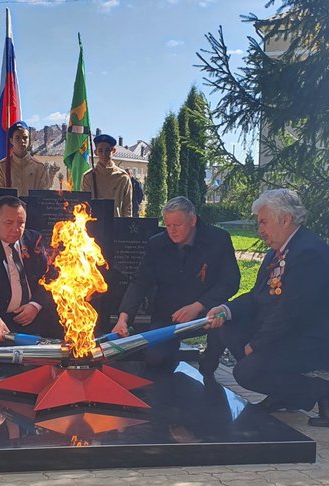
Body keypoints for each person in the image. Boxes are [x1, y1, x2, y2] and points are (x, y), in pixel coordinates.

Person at [205, 189, 329, 426]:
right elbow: (256, 297)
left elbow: (291, 310)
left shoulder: (309, 253)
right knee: (229, 328)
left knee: (246, 373)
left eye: (263, 222)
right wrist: (225, 309)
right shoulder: (277, 252)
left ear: (285, 219)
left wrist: (257, 344)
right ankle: (284, 393)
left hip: (310, 339)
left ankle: (321, 391)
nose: (259, 230)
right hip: (287, 332)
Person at [112, 197, 239, 369]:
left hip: (207, 312)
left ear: (192, 220)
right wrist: (123, 318)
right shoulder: (157, 243)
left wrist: (198, 306)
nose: (172, 231)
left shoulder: (218, 240)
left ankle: (211, 361)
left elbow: (230, 281)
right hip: (168, 315)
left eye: (177, 225)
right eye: (168, 225)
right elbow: (141, 282)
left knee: (223, 328)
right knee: (156, 360)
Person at [0, 196, 63, 347]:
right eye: (9, 223)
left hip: (33, 318)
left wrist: (36, 304)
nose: (16, 229)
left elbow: (49, 275)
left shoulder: (33, 239)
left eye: (21, 223)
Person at [0, 121, 53, 196]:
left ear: (29, 140)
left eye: (25, 137)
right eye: (17, 138)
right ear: (11, 140)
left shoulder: (39, 168)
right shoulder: (1, 167)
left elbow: (42, 197)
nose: (22, 141)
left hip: (32, 207)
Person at [81, 134, 133, 217]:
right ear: (95, 152)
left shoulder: (123, 177)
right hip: (94, 225)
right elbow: (84, 206)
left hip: (116, 226)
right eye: (100, 151)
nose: (104, 154)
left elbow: (127, 208)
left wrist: (125, 228)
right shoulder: (88, 177)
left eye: (107, 150)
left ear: (114, 151)